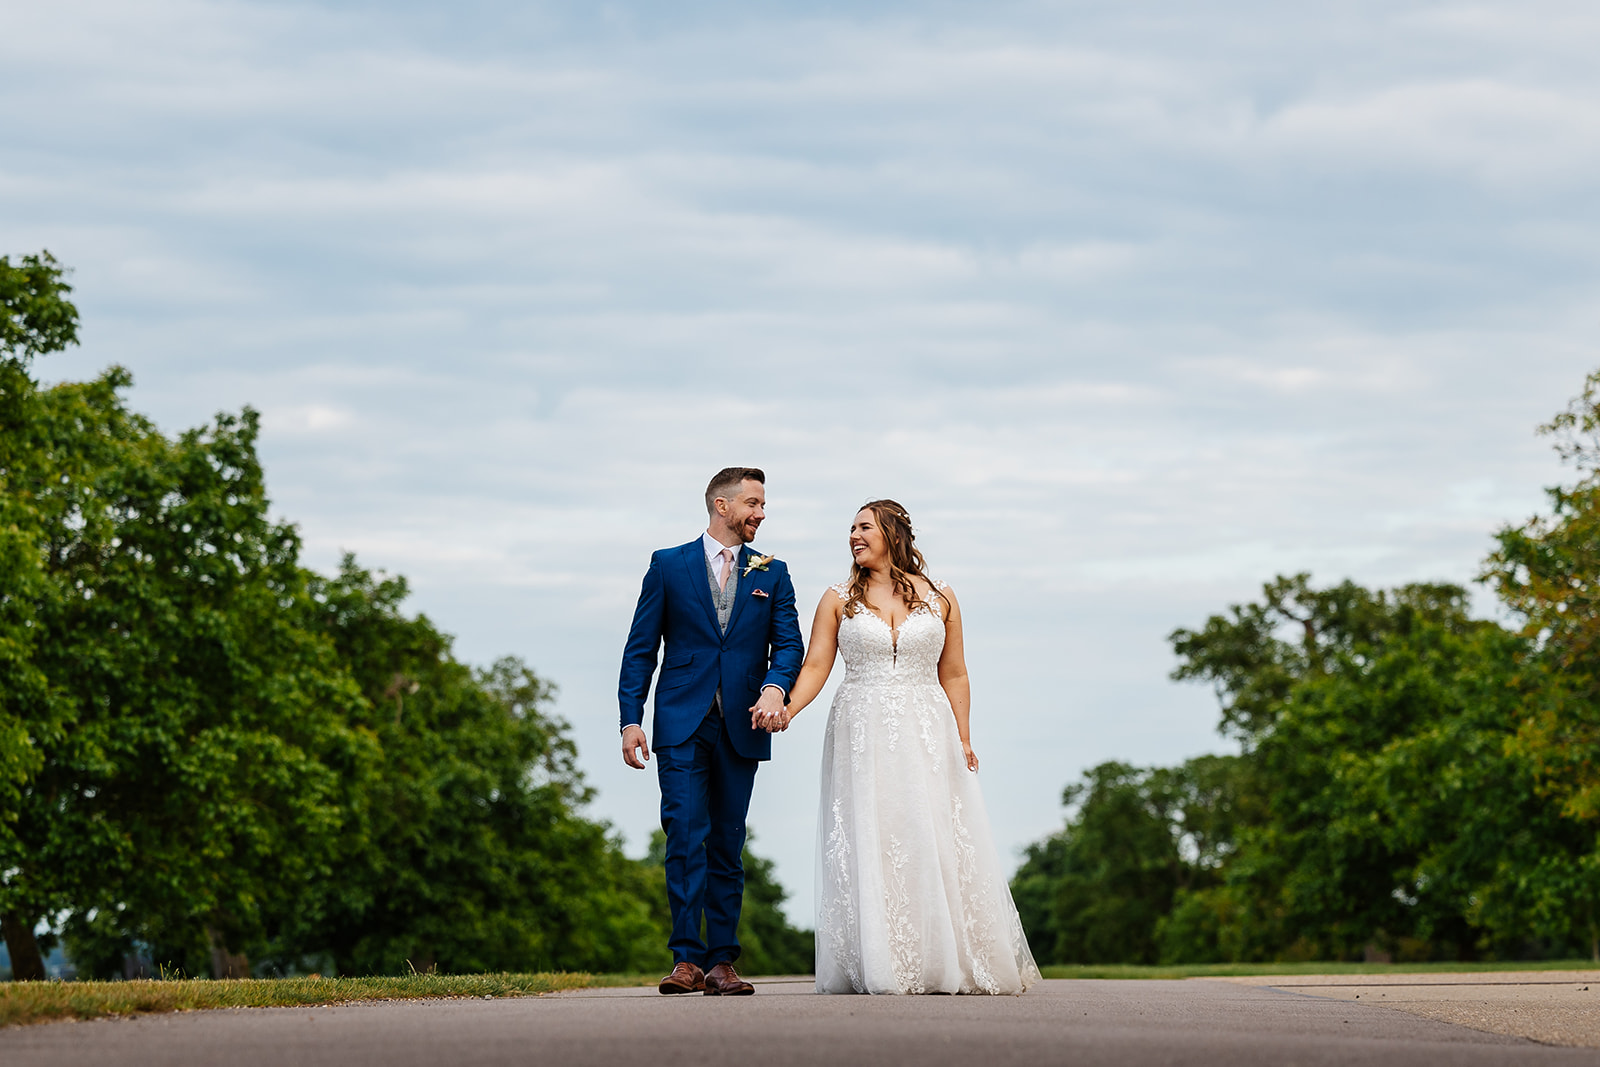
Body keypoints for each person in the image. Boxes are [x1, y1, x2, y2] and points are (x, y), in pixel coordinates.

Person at [755, 499, 1040, 995]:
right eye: (850, 529)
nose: (853, 536)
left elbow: (953, 671)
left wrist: (964, 736)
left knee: (929, 834)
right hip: (859, 729)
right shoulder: (837, 598)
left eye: (863, 527)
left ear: (892, 532)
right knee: (871, 835)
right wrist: (787, 709)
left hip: (928, 727)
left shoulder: (941, 595)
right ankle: (879, 959)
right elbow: (818, 665)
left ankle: (942, 958)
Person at [618, 467, 804, 996]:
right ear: (722, 507)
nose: (761, 513)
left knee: (727, 843)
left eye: (763, 504)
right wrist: (631, 719)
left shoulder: (774, 572)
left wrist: (774, 688)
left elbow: (788, 645)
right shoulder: (668, 565)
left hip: (742, 724)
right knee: (684, 836)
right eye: (753, 503)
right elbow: (640, 649)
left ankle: (722, 961)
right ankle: (685, 960)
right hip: (681, 722)